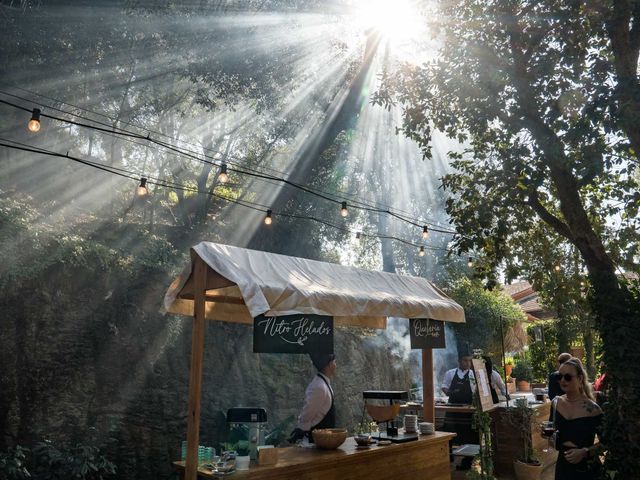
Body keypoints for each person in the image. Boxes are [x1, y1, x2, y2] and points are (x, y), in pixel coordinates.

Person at [543, 357, 603, 480]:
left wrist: (584, 452)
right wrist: (548, 436)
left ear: (580, 378)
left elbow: (606, 443)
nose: (563, 380)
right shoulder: (556, 403)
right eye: (559, 376)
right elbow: (552, 434)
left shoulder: (593, 409)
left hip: (586, 468)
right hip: (563, 466)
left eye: (568, 377)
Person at [288, 353, 336, 443]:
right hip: (316, 442)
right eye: (334, 362)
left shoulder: (323, 383)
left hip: (324, 440)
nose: (335, 365)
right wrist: (301, 429)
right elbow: (308, 412)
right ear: (330, 365)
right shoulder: (319, 387)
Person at [441, 351, 477, 446]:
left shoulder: (473, 374)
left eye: (469, 361)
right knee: (450, 430)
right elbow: (444, 386)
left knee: (467, 430)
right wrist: (450, 393)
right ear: (459, 361)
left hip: (468, 408)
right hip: (452, 406)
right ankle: (449, 452)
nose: (468, 363)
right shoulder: (450, 373)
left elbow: (476, 390)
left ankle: (467, 453)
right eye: (465, 360)